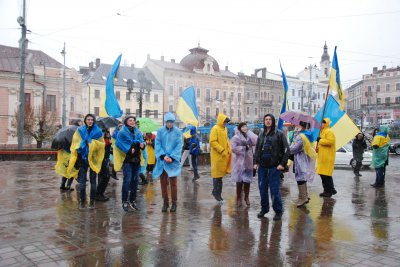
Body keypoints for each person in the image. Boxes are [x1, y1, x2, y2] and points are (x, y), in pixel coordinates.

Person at [254, 114, 290, 221]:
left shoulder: (279, 134)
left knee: (274, 190)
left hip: (274, 168)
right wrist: (255, 162)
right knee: (262, 189)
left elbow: (287, 150)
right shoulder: (261, 134)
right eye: (266, 119)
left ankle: (278, 211)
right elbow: (257, 149)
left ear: (273, 121)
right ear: (264, 121)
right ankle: (264, 209)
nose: (268, 121)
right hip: (262, 168)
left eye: (270, 119)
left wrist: (282, 164)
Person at [68, 114, 105, 209]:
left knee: (93, 181)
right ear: (85, 120)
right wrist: (83, 143)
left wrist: (91, 143)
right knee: (82, 182)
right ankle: (82, 202)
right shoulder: (80, 130)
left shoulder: (98, 131)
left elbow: (101, 145)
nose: (90, 121)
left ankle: (92, 201)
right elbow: (75, 143)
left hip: (93, 159)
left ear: (94, 121)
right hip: (82, 159)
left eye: (92, 119)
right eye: (88, 119)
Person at [114, 116, 146, 212]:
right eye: (130, 120)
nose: (132, 122)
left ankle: (132, 200)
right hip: (127, 160)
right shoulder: (122, 132)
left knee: (135, 181)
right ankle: (124, 201)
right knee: (127, 180)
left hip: (137, 159)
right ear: (126, 122)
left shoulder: (137, 131)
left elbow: (142, 141)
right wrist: (128, 149)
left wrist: (142, 144)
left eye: (133, 120)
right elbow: (118, 143)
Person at [153, 112, 183, 212]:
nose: (169, 124)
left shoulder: (178, 132)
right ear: (165, 122)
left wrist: (173, 157)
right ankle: (165, 203)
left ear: (173, 122)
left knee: (173, 184)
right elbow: (157, 144)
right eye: (168, 122)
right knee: (163, 183)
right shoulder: (160, 131)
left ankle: (174, 204)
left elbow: (179, 145)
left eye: (171, 122)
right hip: (163, 161)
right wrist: (163, 156)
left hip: (172, 162)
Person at [289, 121, 317, 207]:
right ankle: (305, 195)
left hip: (300, 159)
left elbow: (294, 149)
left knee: (300, 178)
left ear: (301, 125)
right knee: (303, 177)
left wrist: (289, 147)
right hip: (306, 158)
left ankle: (303, 198)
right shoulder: (309, 134)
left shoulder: (301, 136)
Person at [230, 122, 257, 207]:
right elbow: (233, 148)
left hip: (248, 160)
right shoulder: (236, 137)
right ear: (239, 128)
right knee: (239, 181)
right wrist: (244, 148)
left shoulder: (249, 136)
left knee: (247, 180)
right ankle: (238, 198)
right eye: (243, 127)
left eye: (246, 127)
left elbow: (256, 141)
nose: (245, 128)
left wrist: (251, 135)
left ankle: (247, 197)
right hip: (239, 162)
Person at [210, 113, 232, 202]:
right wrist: (222, 150)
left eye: (226, 122)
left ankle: (218, 193)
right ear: (221, 121)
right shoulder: (215, 129)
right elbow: (212, 141)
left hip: (223, 157)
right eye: (224, 122)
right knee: (216, 176)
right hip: (217, 157)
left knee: (220, 177)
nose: (225, 123)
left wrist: (229, 150)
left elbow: (227, 141)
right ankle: (216, 193)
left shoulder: (225, 129)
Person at [316, 118, 337, 198]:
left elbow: (331, 142)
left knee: (326, 175)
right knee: (323, 175)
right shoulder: (322, 132)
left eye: (323, 123)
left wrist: (320, 140)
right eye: (321, 123)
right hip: (322, 158)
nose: (321, 124)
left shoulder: (329, 131)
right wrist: (317, 147)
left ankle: (330, 191)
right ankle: (327, 190)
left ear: (326, 124)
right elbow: (322, 143)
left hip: (327, 157)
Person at [96, 129, 112, 201]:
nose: (108, 134)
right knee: (105, 176)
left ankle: (100, 193)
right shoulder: (99, 136)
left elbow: (108, 150)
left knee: (105, 177)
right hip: (100, 160)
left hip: (105, 159)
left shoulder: (107, 138)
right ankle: (98, 194)